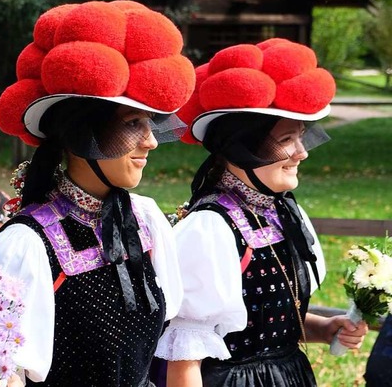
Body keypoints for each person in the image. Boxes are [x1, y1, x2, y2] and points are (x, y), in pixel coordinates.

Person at [0, 0, 196, 386]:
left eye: (150, 124)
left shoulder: (145, 221)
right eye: (133, 124)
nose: (151, 142)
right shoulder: (26, 245)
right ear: (85, 135)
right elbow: (2, 375)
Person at [153, 39, 369, 386]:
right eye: (287, 140)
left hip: (289, 375)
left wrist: (322, 327)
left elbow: (265, 324)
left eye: (301, 137)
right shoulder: (208, 229)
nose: (302, 153)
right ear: (244, 147)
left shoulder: (282, 214)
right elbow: (185, 358)